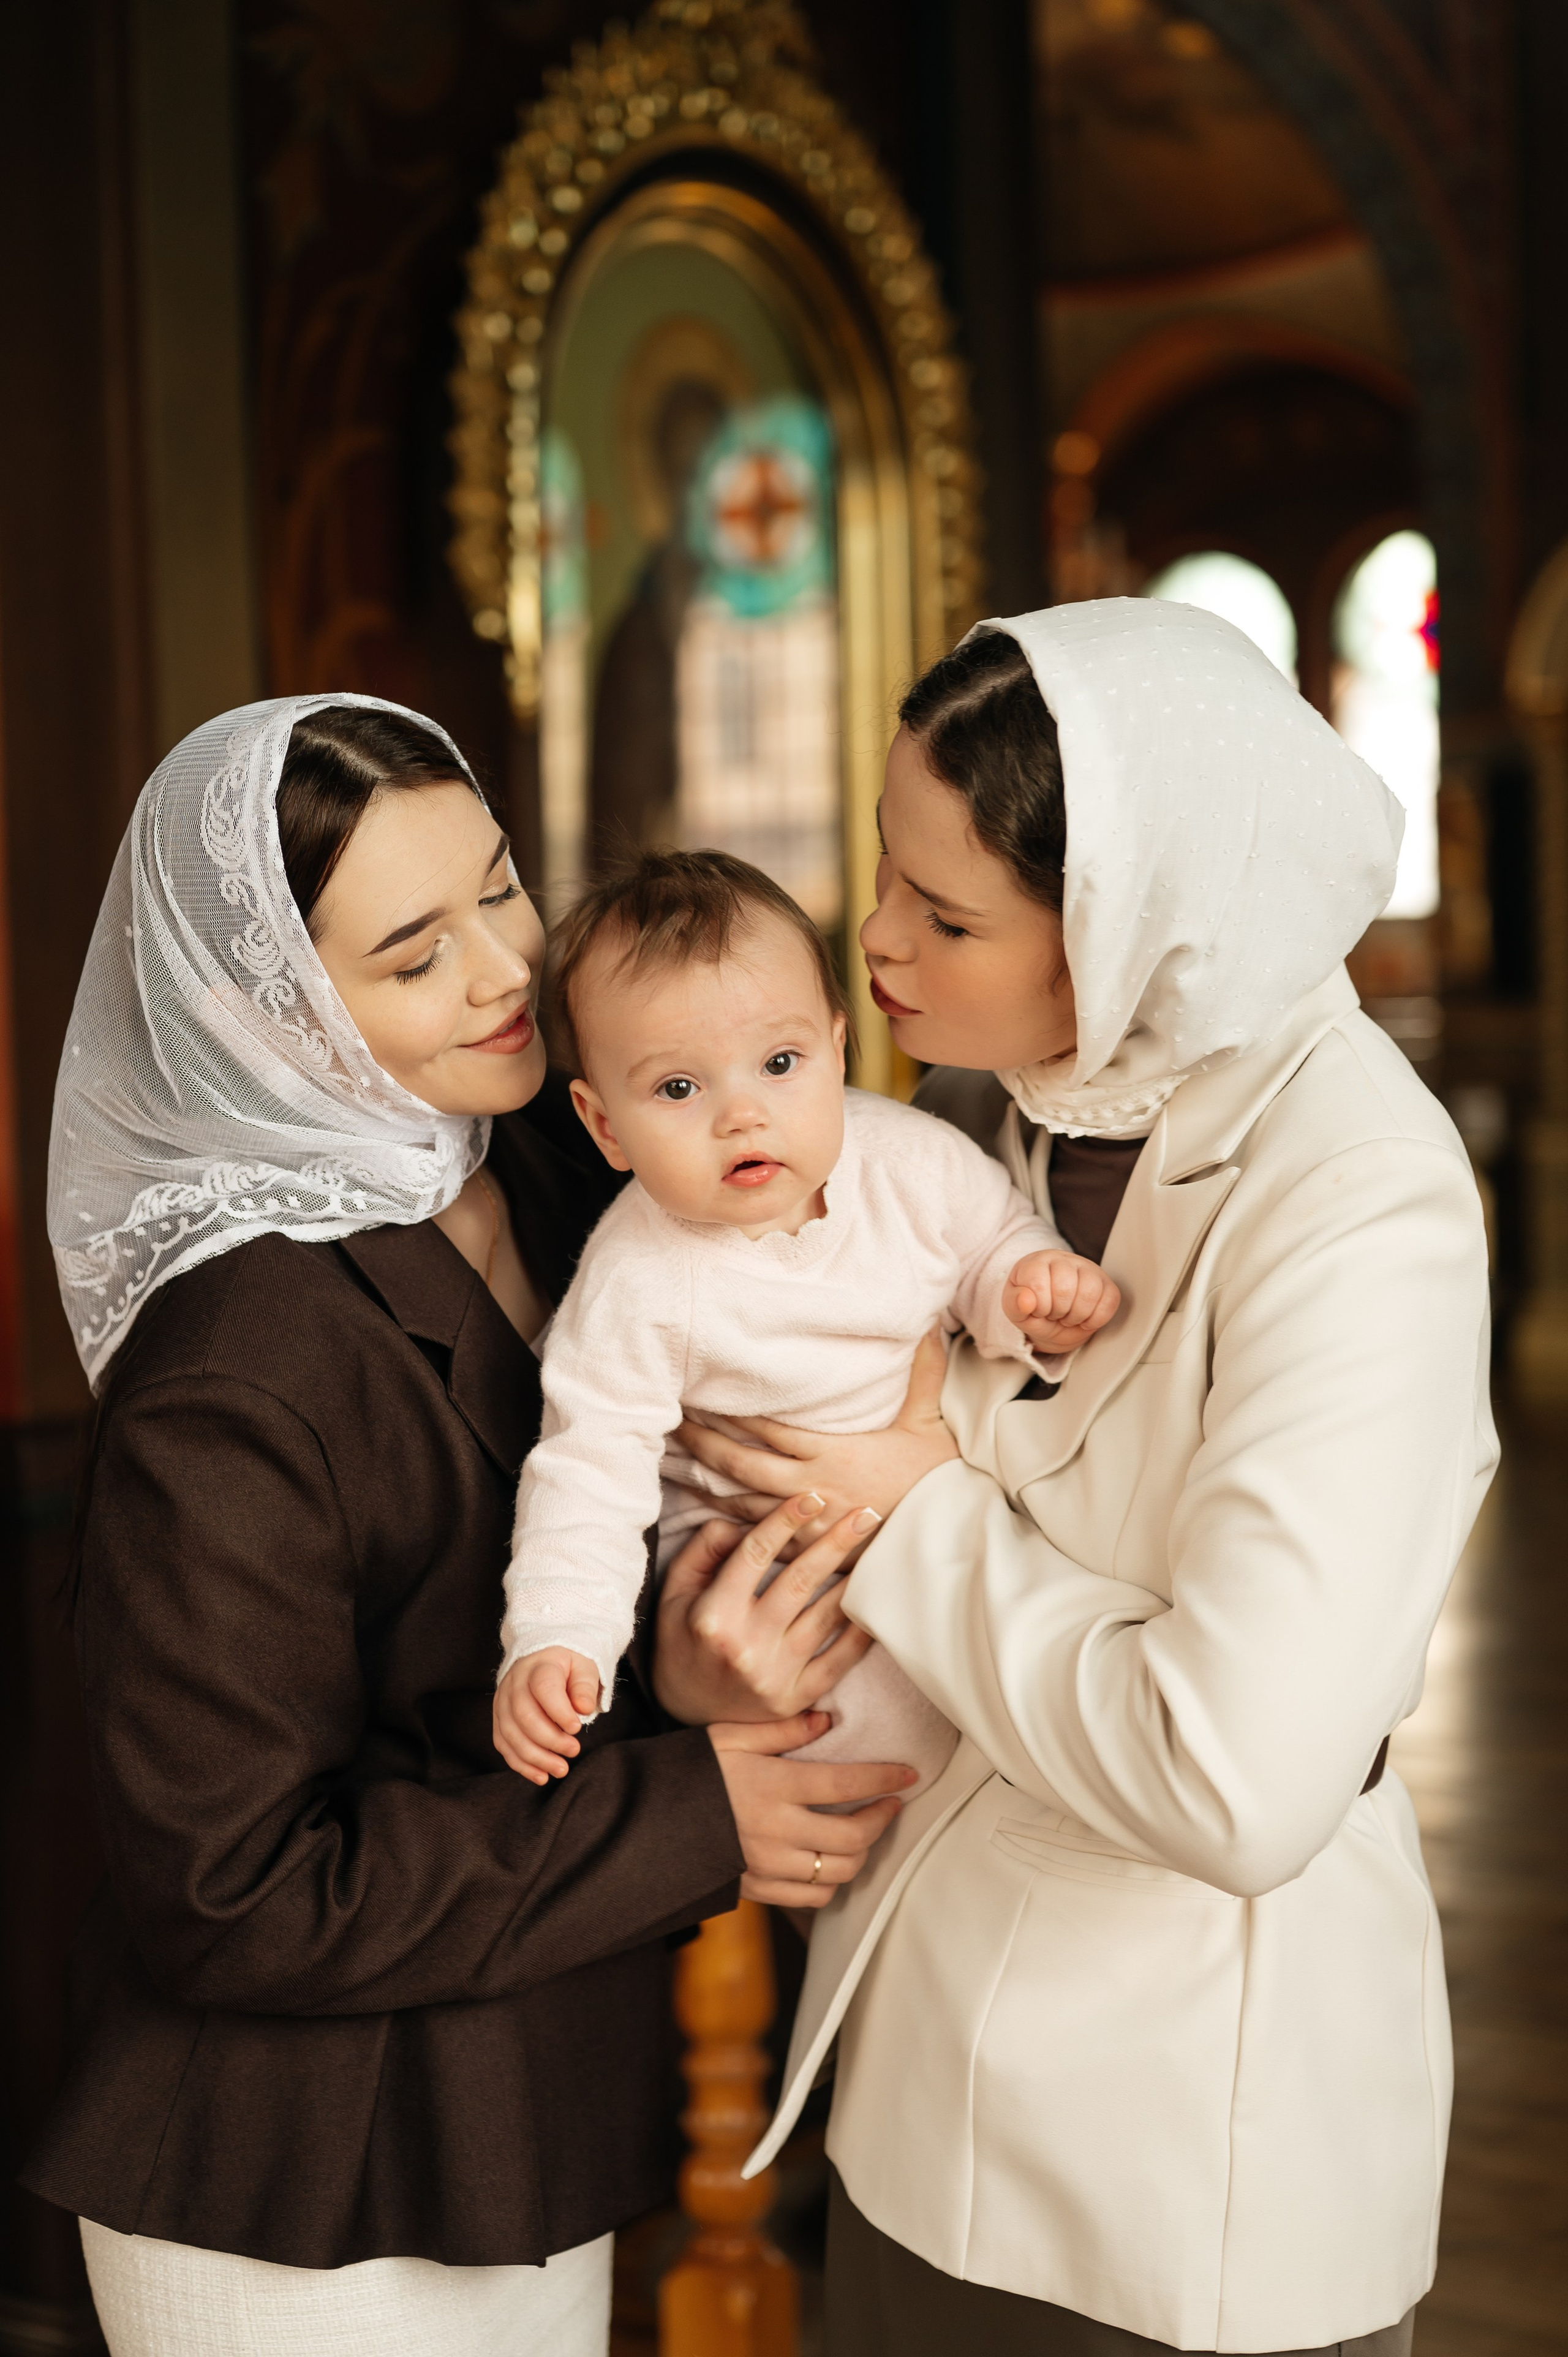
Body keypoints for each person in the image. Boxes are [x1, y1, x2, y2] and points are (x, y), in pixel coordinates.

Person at [26, 695, 910, 2357]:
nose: (508, 968)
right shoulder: (231, 1368)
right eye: (414, 953)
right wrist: (687, 1809)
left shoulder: (566, 1171)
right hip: (297, 2188)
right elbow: (234, 1890)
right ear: (264, 1013)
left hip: (515, 2117)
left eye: (499, 886)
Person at [675, 605, 1499, 2356]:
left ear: (1136, 932)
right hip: (918, 2065)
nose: (875, 948)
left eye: (948, 915)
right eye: (885, 876)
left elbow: (1236, 1776)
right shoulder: (1011, 1105)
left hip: (1180, 2138)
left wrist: (908, 1508)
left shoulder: (1362, 1201)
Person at [490, 847, 1116, 1790]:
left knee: (1001, 1711)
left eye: (779, 1064)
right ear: (604, 1124)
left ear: (837, 1048)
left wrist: (1031, 1291)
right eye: (677, 1089)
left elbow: (989, 1241)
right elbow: (587, 1469)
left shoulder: (910, 1161)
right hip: (754, 1570)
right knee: (850, 1754)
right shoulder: (636, 1279)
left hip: (929, 1533)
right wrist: (558, 1635)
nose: (742, 1115)